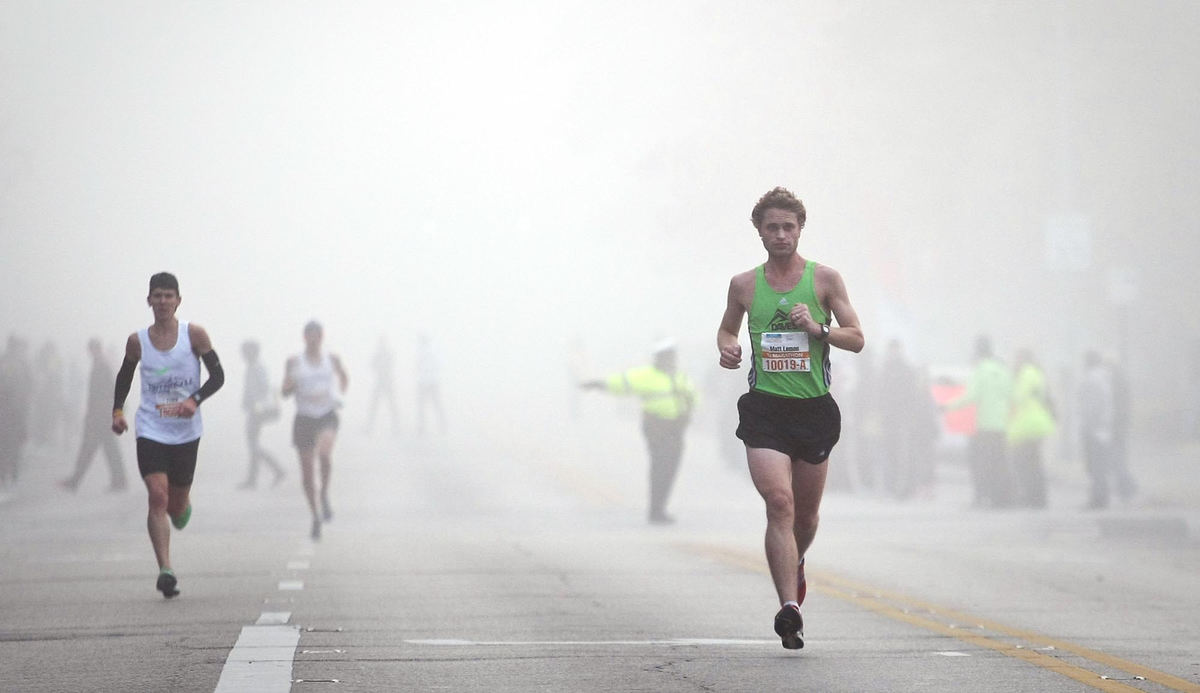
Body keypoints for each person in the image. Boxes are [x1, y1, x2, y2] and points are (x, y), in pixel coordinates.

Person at [717, 187, 864, 650]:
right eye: (772, 227)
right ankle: (789, 609)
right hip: (765, 409)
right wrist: (728, 347)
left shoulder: (824, 280)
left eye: (788, 226)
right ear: (759, 231)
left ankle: (796, 563)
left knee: (805, 516)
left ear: (800, 229)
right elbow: (726, 327)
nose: (780, 234)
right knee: (779, 503)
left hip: (814, 410)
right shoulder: (744, 284)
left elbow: (857, 338)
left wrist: (817, 328)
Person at [112, 272, 224, 598]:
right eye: (157, 296)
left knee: (175, 505)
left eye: (168, 296)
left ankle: (182, 507)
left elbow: (218, 375)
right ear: (148, 300)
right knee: (157, 496)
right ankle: (166, 569)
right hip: (151, 427)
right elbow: (124, 376)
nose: (162, 302)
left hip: (187, 431)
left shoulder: (195, 335)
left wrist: (195, 400)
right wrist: (117, 411)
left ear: (178, 300)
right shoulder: (138, 341)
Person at [580, 340, 698, 524]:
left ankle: (660, 507)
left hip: (676, 428)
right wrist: (598, 384)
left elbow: (693, 398)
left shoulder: (680, 377)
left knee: (670, 469)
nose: (670, 360)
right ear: (659, 359)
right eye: (666, 357)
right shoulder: (646, 375)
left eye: (671, 357)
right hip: (656, 427)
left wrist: (690, 414)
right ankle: (656, 509)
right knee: (660, 466)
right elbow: (620, 383)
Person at [282, 320, 348, 540]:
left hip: (327, 415)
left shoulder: (332, 359)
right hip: (304, 419)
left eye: (316, 335)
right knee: (308, 474)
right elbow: (284, 391)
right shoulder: (294, 362)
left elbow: (344, 378)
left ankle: (325, 493)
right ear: (304, 337)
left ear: (322, 336)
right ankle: (316, 514)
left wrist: (340, 393)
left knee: (325, 454)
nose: (313, 339)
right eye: (309, 335)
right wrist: (292, 385)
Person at [945, 335, 1014, 508]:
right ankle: (1001, 499)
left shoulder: (981, 370)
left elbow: (971, 396)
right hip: (1001, 426)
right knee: (1000, 464)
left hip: (985, 426)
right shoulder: (1003, 370)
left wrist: (948, 406)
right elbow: (1011, 395)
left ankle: (982, 498)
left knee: (983, 465)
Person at [59, 339, 128, 493]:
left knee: (90, 449)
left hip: (99, 417)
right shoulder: (100, 366)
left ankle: (76, 481)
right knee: (105, 449)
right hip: (101, 416)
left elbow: (103, 394)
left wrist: (95, 414)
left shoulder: (101, 367)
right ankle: (119, 480)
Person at [1006, 348, 1055, 508]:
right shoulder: (1038, 372)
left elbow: (1019, 396)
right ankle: (1038, 498)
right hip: (1037, 423)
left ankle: (1031, 497)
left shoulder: (1026, 373)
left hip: (1027, 425)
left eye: (1017, 358)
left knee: (1023, 462)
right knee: (1033, 462)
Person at [238, 340, 285, 489]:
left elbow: (263, 388)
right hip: (255, 410)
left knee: (253, 444)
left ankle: (276, 470)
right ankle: (254, 478)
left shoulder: (257, 368)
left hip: (259, 410)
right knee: (253, 443)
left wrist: (253, 402)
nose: (243, 355)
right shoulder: (253, 368)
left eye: (246, 352)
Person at [1078, 350, 1116, 509]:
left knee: (1094, 466)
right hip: (1104, 428)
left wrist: (1087, 425)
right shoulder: (1105, 378)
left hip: (1094, 429)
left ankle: (1097, 498)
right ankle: (1102, 497)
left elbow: (1091, 406)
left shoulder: (1091, 380)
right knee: (1100, 464)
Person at [0, 335, 34, 488]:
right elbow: (29, 385)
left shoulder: (4, 361)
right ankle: (12, 470)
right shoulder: (20, 364)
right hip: (16, 409)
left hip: (6, 409)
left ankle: (5, 471)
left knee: (6, 440)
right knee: (14, 440)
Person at [365, 335, 400, 436]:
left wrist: (380, 368)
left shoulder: (385, 354)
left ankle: (396, 426)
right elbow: (373, 365)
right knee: (379, 405)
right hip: (383, 380)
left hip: (384, 380)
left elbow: (373, 365)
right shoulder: (385, 354)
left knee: (389, 405)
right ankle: (370, 426)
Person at [415, 334, 445, 437]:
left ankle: (422, 427)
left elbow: (417, 365)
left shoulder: (421, 352)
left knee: (423, 405)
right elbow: (439, 364)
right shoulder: (433, 351)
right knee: (436, 404)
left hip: (425, 382)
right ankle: (442, 424)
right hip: (432, 381)